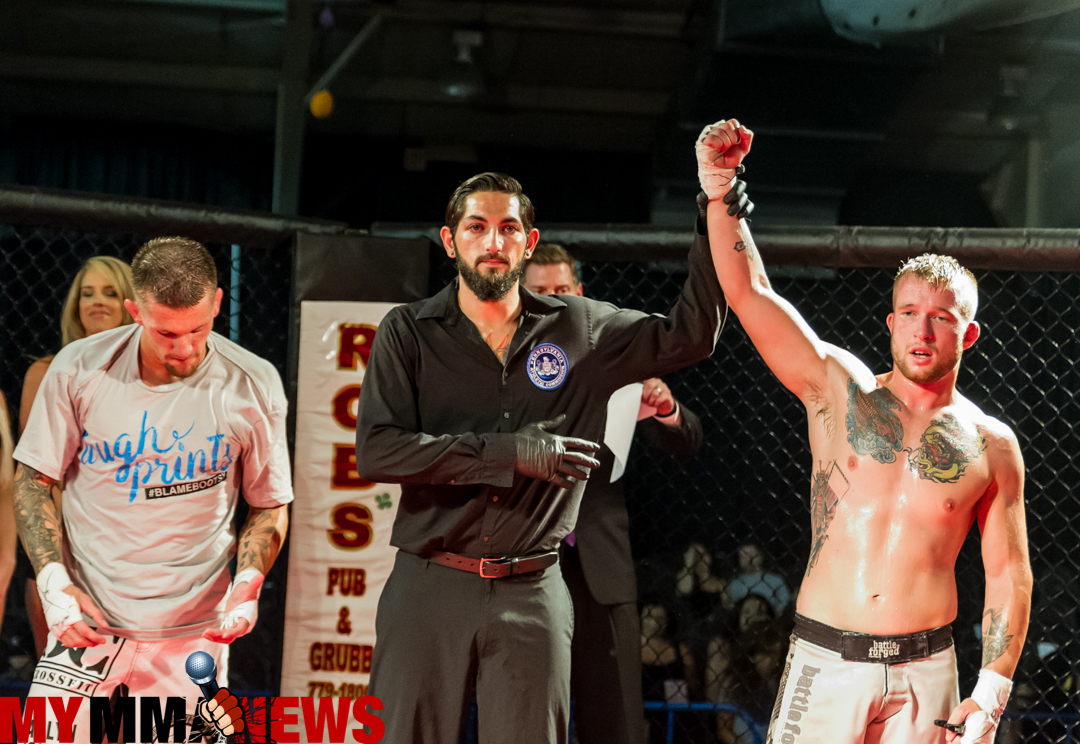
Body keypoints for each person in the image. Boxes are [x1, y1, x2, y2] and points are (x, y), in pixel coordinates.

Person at [354, 170, 748, 744]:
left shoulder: (580, 327)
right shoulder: (408, 331)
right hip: (428, 583)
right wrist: (508, 453)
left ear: (529, 242)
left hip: (533, 590)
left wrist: (714, 212)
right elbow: (377, 451)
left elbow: (692, 335)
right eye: (477, 227)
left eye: (509, 228)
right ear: (450, 241)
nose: (494, 242)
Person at [697, 119, 1032, 744]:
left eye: (941, 318)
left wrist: (992, 690)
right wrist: (720, 192)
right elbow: (749, 292)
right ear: (890, 323)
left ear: (968, 333)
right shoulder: (840, 390)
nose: (922, 330)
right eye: (909, 313)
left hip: (927, 668)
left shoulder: (991, 444)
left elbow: (1008, 571)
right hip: (826, 659)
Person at [13, 237, 293, 744]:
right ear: (135, 311)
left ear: (217, 303)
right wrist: (53, 581)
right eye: (166, 332)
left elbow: (269, 503)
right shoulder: (79, 367)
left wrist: (249, 582)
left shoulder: (253, 383)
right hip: (87, 619)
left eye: (197, 329)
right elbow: (33, 481)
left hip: (193, 632)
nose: (184, 348)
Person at [523, 243, 708, 744]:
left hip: (600, 567)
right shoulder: (504, 365)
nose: (554, 300)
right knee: (527, 712)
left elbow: (688, 439)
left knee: (616, 718)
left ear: (580, 291)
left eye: (562, 289)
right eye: (540, 292)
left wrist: (665, 407)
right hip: (526, 563)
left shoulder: (613, 355)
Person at [17, 255, 137, 657]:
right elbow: (36, 471)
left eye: (110, 292)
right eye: (87, 293)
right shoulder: (45, 372)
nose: (96, 301)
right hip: (60, 533)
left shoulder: (151, 378)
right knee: (57, 663)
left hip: (129, 540)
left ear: (131, 304)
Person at [723, 543, 792, 618]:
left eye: (750, 555)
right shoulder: (733, 584)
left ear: (760, 556)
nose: (747, 559)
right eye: (743, 556)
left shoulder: (776, 580)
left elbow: (784, 605)